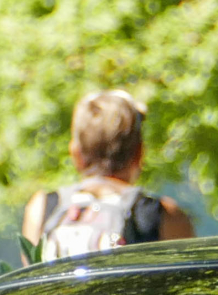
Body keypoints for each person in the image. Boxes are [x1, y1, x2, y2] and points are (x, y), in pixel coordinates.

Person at [22, 90, 196, 262]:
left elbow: (30, 279)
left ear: (75, 153)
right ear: (139, 153)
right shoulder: (164, 215)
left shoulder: (43, 207)